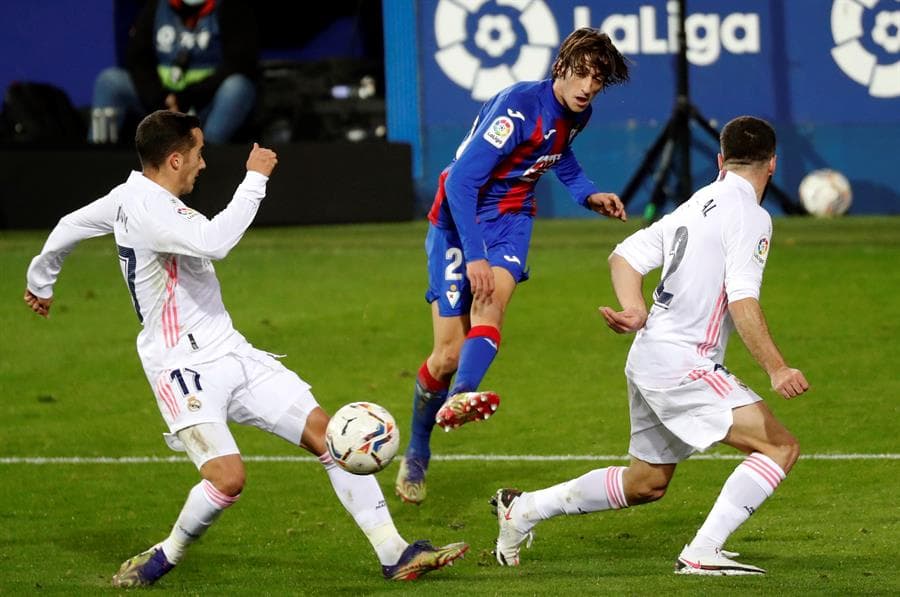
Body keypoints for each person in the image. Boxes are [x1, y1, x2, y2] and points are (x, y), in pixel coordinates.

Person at [24, 110, 468, 587]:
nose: (203, 163)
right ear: (174, 160)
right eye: (198, 153)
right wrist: (255, 179)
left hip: (230, 351)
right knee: (228, 479)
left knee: (330, 437)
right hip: (182, 368)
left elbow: (70, 223)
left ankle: (394, 553)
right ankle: (164, 556)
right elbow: (214, 242)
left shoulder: (127, 197)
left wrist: (40, 281)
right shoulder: (151, 210)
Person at [490, 115, 809, 575]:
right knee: (779, 448)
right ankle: (702, 552)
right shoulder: (751, 216)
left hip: (650, 356)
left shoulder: (696, 203)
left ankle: (523, 509)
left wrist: (634, 309)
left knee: (646, 483)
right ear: (773, 164)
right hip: (684, 364)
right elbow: (742, 298)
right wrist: (777, 368)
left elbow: (624, 255)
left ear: (721, 160)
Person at [395, 28, 631, 505]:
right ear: (560, 66)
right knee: (446, 354)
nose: (588, 87)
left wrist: (587, 193)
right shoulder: (518, 108)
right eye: (582, 74)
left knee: (492, 307)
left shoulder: (578, 112)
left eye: (598, 80)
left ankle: (462, 395)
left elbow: (559, 155)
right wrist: (475, 256)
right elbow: (460, 183)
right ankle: (418, 448)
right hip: (459, 220)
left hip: (511, 220)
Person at [90, 0, 258, 145]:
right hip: (160, 101)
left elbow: (238, 63)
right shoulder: (157, 6)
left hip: (205, 102)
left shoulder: (232, 7)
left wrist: (187, 97)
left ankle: (207, 152)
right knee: (110, 81)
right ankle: (98, 155)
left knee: (237, 87)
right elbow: (138, 59)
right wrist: (161, 99)